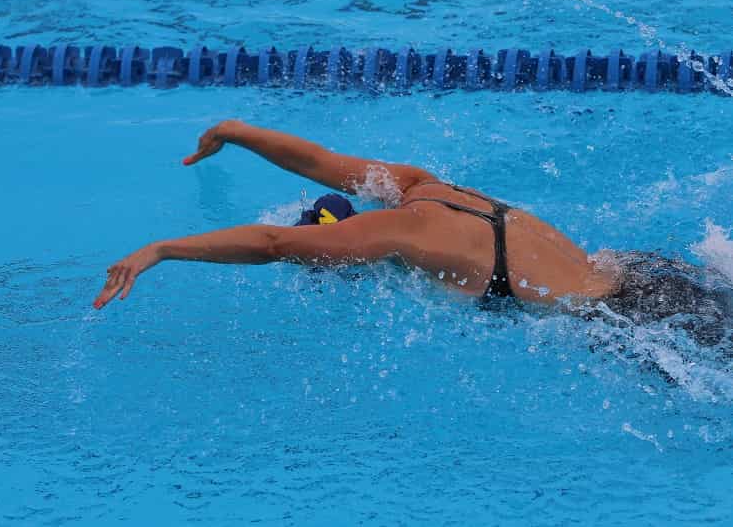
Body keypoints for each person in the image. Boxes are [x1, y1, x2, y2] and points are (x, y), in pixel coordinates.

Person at [93, 120, 730, 346]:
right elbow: (320, 161)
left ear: (350, 244)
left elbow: (275, 244)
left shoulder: (397, 235)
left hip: (630, 319)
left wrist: (162, 248)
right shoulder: (420, 185)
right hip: (641, 270)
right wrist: (236, 129)